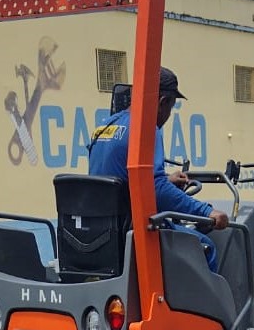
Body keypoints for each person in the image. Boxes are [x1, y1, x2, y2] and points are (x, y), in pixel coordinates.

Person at [88, 66, 230, 271]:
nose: (168, 115)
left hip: (103, 234)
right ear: (163, 103)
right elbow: (158, 190)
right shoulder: (145, 129)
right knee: (204, 247)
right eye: (171, 107)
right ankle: (203, 305)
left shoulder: (104, 128)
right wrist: (207, 211)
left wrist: (164, 180)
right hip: (134, 232)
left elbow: (116, 177)